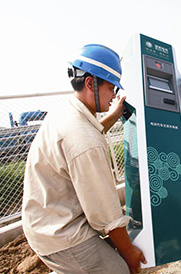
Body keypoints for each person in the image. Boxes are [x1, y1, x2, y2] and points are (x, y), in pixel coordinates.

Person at [22, 44, 146, 274]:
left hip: (48, 218)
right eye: (111, 87)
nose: (114, 95)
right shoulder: (83, 138)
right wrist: (129, 254)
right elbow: (106, 214)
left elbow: (91, 132)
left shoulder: (66, 110)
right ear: (91, 83)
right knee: (119, 269)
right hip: (61, 234)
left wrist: (115, 113)